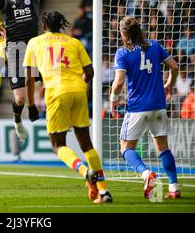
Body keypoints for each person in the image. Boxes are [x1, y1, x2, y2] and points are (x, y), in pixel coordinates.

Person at [24, 11, 112, 203]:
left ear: (44, 26)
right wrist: (81, 86)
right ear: (61, 25)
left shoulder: (35, 42)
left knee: (58, 145)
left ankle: (85, 172)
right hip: (79, 91)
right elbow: (90, 71)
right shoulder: (74, 42)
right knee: (86, 144)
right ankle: (104, 191)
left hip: (56, 92)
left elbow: (29, 77)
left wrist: (31, 104)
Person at [110, 16, 180, 199]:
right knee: (163, 148)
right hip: (158, 105)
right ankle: (174, 187)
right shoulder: (154, 45)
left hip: (137, 108)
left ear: (123, 33)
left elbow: (117, 83)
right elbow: (174, 66)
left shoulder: (122, 53)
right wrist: (169, 85)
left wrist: (113, 98)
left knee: (126, 148)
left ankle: (145, 173)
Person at [0, 0, 44, 140]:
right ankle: (17, 119)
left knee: (45, 81)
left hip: (33, 49)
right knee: (20, 98)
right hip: (15, 50)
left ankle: (57, 116)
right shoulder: (7, 2)